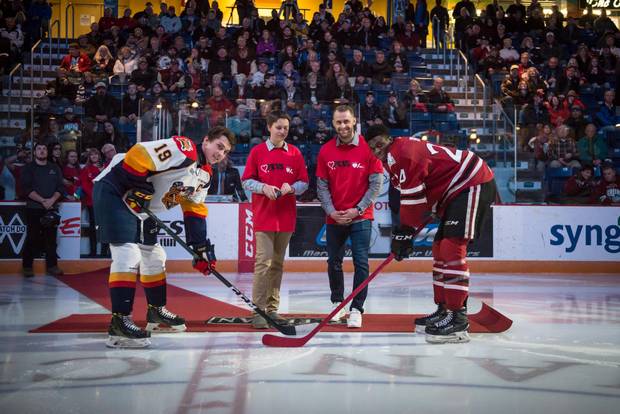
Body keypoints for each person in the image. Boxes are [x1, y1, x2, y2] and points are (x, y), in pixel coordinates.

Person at [92, 127, 236, 348]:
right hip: (116, 191)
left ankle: (156, 312)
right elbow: (138, 154)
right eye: (219, 146)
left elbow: (194, 209)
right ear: (206, 140)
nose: (220, 154)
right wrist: (140, 187)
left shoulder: (205, 175)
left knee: (155, 255)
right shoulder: (184, 148)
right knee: (127, 254)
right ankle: (119, 322)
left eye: (225, 151)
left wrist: (200, 248)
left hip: (142, 206)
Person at [366, 132, 496, 344]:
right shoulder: (394, 157)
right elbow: (420, 189)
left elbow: (412, 198)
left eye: (378, 142)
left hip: (471, 181)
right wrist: (406, 230)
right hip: (453, 192)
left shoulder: (401, 154)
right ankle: (445, 310)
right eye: (371, 146)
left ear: (388, 139)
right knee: (439, 250)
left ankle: (458, 320)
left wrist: (405, 231)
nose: (375, 148)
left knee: (452, 249)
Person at [316, 105, 384, 328]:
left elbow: (376, 184)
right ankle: (337, 304)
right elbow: (322, 186)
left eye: (346, 121)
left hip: (361, 217)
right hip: (334, 217)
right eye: (338, 122)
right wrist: (331, 211)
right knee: (333, 263)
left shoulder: (369, 148)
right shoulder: (326, 151)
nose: (343, 126)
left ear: (354, 121)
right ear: (333, 124)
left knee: (361, 262)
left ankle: (356, 308)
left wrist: (358, 210)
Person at [241, 111, 309, 328]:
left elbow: (304, 183)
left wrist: (292, 188)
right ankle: (259, 312)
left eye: (286, 128)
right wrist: (263, 187)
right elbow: (246, 181)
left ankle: (273, 309)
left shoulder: (295, 154)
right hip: (264, 216)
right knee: (263, 264)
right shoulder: (258, 152)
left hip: (286, 217)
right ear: (269, 127)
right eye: (279, 127)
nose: (283, 131)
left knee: (277, 265)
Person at [20, 142, 66, 277]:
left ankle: (52, 266)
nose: (41, 151)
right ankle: (27, 266)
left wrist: (51, 200)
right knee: (32, 237)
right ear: (34, 152)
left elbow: (61, 188)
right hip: (34, 208)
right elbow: (26, 189)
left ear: (47, 152)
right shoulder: (28, 168)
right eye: (39, 149)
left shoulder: (55, 168)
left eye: (44, 149)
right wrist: (42, 201)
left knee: (51, 239)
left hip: (51, 208)